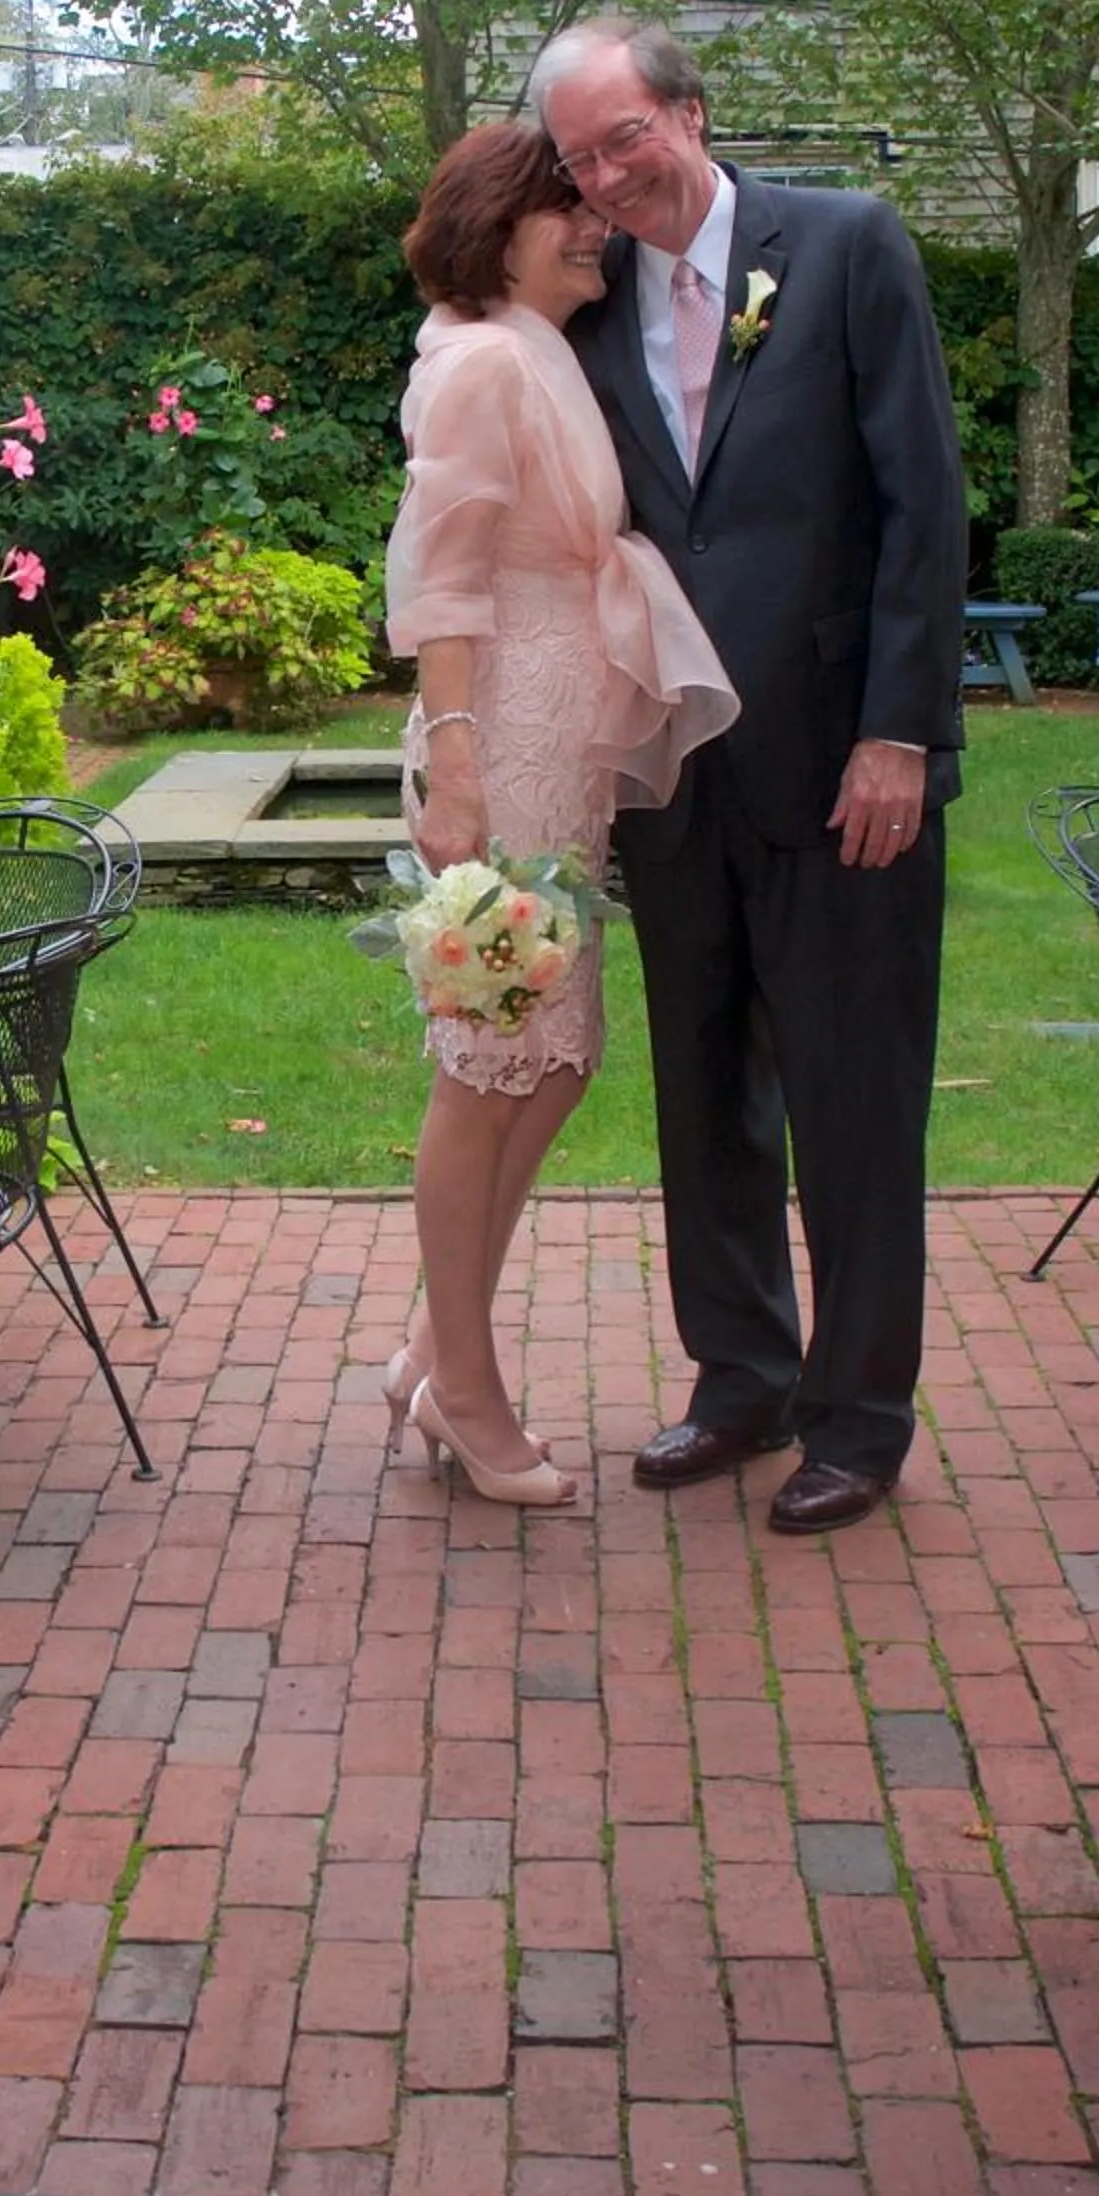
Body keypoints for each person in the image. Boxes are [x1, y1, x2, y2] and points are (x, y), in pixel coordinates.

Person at [531, 19, 967, 1535]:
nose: (606, 175)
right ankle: (743, 1379)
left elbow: (924, 499)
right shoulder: (587, 304)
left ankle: (857, 1417)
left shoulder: (845, 248)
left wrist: (902, 730)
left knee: (854, 1099)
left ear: (690, 113)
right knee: (704, 1090)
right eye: (581, 157)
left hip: (849, 764)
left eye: (624, 138)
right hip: (680, 772)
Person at [383, 121, 737, 1507]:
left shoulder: (532, 347)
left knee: (556, 1057)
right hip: (507, 747)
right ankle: (466, 1393)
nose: (594, 223)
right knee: (486, 1066)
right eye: (563, 207)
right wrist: (458, 769)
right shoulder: (479, 360)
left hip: (558, 747)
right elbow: (441, 575)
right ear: (496, 221)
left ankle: (427, 1348)